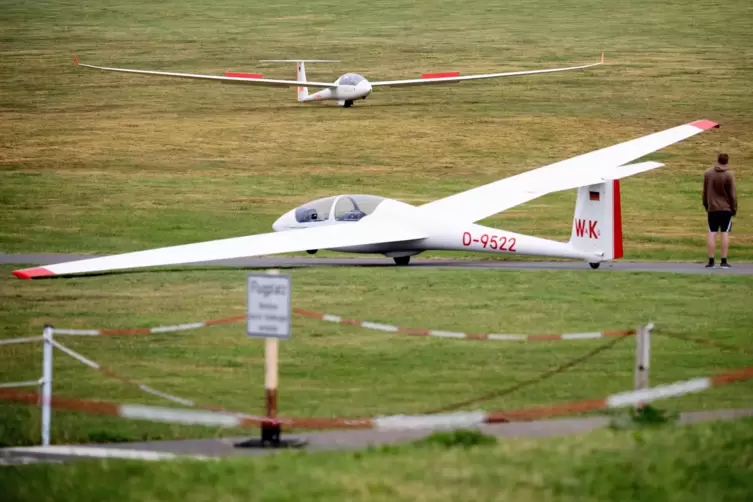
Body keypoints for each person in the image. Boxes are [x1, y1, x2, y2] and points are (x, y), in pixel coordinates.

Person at [703, 153, 737, 268]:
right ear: (727, 161)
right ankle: (723, 260)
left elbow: (705, 191)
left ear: (717, 160)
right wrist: (734, 208)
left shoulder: (708, 173)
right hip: (725, 208)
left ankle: (711, 260)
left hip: (712, 208)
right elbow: (732, 194)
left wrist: (706, 205)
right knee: (724, 233)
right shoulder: (729, 175)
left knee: (712, 233)